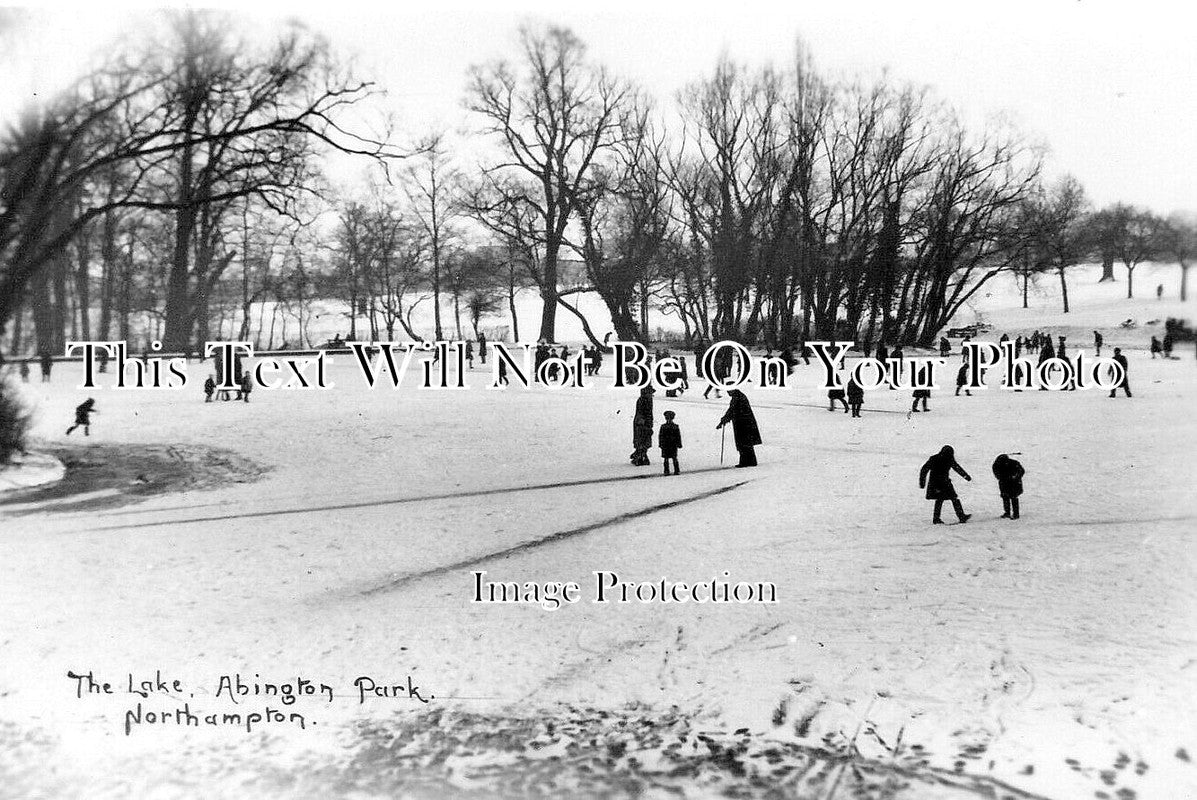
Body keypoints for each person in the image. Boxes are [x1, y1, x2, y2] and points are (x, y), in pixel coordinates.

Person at [918, 445, 972, 524]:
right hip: (943, 483)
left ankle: (937, 518)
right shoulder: (949, 459)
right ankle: (960, 516)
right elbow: (957, 468)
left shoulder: (934, 458)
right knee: (952, 498)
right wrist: (966, 476)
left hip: (936, 483)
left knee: (941, 499)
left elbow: (924, 469)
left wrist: (922, 482)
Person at [716, 389, 761, 468]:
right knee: (747, 443)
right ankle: (750, 461)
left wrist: (723, 421)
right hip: (745, 423)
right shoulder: (739, 396)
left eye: (729, 391)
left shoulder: (737, 398)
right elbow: (732, 411)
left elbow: (732, 411)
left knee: (743, 443)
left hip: (743, 424)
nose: (728, 393)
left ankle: (746, 461)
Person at [992, 454, 1025, 520]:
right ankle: (1008, 512)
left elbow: (1021, 471)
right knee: (1006, 497)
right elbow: (997, 474)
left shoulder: (1014, 463)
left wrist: (1015, 477)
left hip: (1014, 483)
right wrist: (1004, 478)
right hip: (1005, 483)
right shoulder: (997, 465)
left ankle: (1015, 514)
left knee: (1013, 497)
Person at [630, 386, 655, 466]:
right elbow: (641, 413)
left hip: (645, 423)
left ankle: (639, 456)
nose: (651, 394)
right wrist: (643, 422)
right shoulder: (643, 400)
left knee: (644, 441)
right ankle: (639, 457)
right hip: (642, 424)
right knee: (642, 441)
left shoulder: (647, 400)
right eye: (650, 393)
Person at [659, 410, 682, 476]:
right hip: (668, 445)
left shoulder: (664, 426)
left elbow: (678, 436)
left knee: (672, 458)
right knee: (668, 458)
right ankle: (670, 470)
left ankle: (673, 470)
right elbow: (661, 436)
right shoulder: (673, 426)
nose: (669, 420)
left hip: (671, 444)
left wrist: (679, 443)